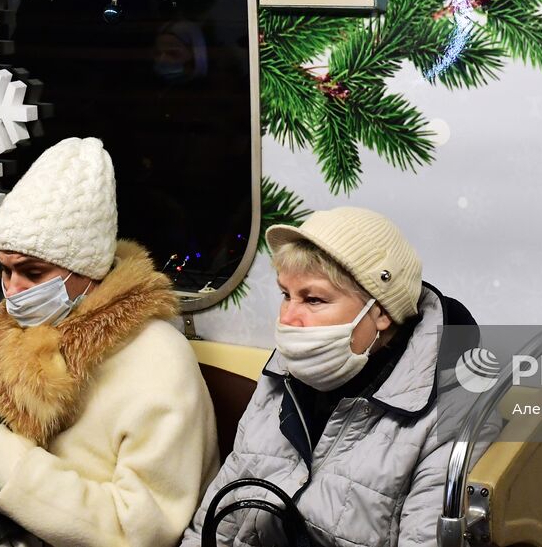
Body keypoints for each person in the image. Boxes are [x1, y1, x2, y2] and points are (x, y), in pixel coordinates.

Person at [0, 136, 218, 547]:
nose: (12, 290)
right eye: (6, 270)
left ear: (88, 269)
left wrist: (13, 466)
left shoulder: (159, 360)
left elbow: (145, 528)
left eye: (33, 273)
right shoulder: (5, 333)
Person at [178, 206, 481, 547]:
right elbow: (216, 523)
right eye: (285, 295)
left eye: (314, 299)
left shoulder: (452, 413)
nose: (289, 318)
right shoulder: (286, 373)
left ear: (380, 311)